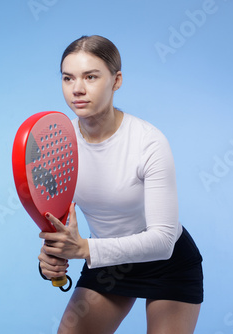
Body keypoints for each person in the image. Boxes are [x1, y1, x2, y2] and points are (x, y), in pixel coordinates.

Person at [38, 35, 203, 334]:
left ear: (116, 81)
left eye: (91, 77)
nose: (77, 89)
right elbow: (60, 219)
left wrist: (84, 248)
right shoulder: (58, 143)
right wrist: (51, 258)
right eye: (67, 78)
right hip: (106, 261)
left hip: (167, 263)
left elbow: (163, 241)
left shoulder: (148, 142)